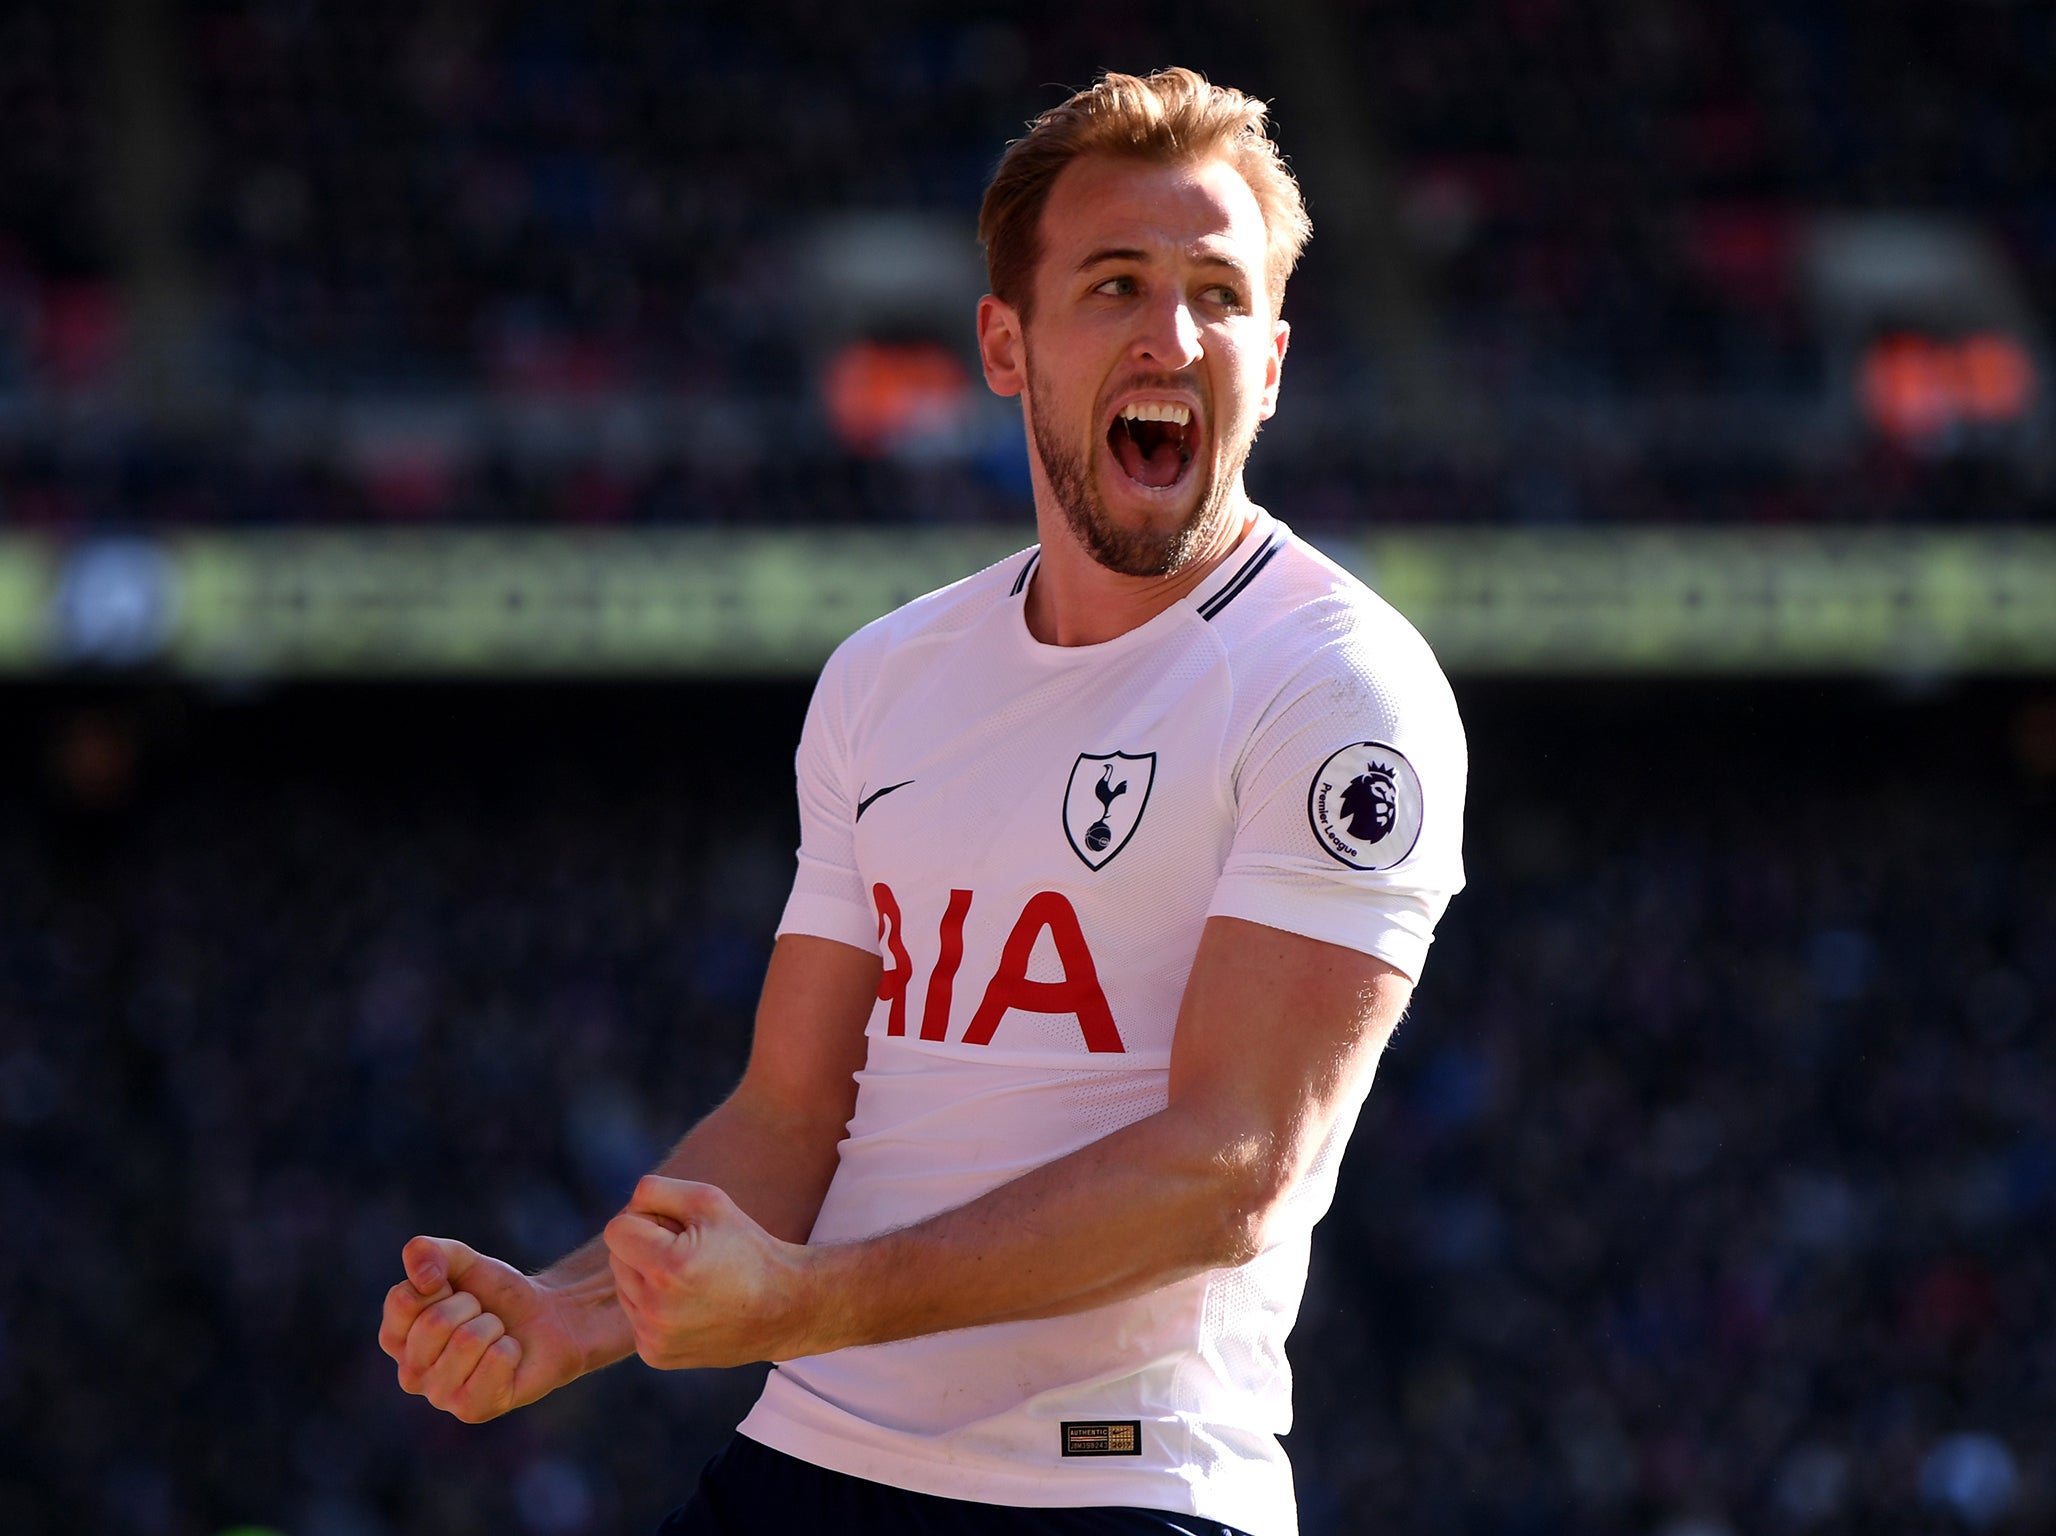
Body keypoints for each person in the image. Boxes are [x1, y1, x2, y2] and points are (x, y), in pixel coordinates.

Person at [380, 67, 1466, 1536]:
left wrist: (813, 1298)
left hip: (1117, 1493)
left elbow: (1235, 1171)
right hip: (807, 1466)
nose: (1173, 333)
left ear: (1271, 361)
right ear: (1005, 346)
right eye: (1117, 285)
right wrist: (575, 1311)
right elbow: (792, 1110)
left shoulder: (1339, 690)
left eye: (1219, 293)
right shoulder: (888, 678)